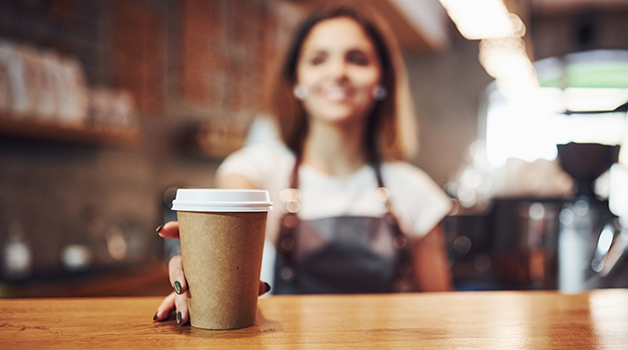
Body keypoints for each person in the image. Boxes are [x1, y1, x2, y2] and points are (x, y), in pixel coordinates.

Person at [154, 4, 452, 325]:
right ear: (296, 80)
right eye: (318, 59)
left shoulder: (415, 190)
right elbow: (230, 219)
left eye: (357, 59)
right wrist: (204, 269)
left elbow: (440, 316)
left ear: (382, 81)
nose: (338, 72)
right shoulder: (255, 170)